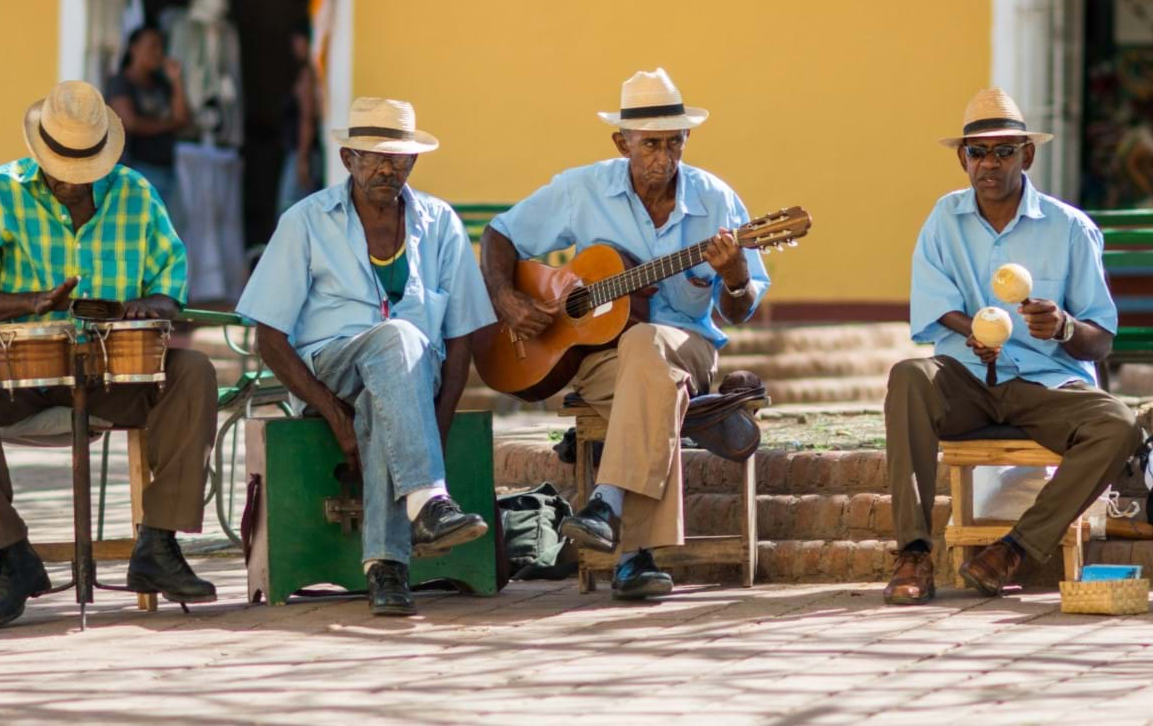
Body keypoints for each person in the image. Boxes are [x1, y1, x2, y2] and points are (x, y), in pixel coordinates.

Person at [0, 81, 219, 629]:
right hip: (23, 375)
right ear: (41, 152)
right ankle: (12, 557)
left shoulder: (136, 194)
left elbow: (170, 283)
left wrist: (149, 304)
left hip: (116, 374)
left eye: (87, 169)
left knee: (195, 371)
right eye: (63, 168)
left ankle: (157, 545)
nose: (74, 181)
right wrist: (33, 303)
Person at [480, 68, 768, 601]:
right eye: (651, 144)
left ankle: (607, 506)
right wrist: (507, 298)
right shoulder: (583, 188)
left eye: (675, 143)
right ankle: (635, 560)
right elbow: (501, 233)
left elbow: (741, 309)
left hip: (690, 349)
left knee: (646, 346)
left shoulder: (717, 201)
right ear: (622, 142)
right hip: (594, 357)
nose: (665, 156)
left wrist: (736, 276)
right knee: (648, 378)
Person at [236, 97, 493, 616]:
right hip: (331, 368)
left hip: (412, 377)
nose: (385, 168)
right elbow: (269, 335)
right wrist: (332, 414)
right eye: (372, 156)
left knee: (388, 390)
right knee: (395, 336)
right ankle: (428, 502)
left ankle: (387, 570)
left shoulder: (440, 224)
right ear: (348, 157)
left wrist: (427, 430)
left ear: (414, 162)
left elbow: (462, 337)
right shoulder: (307, 221)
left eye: (397, 158)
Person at [882, 88, 1139, 605]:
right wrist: (971, 329)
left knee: (1120, 424)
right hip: (967, 381)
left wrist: (1064, 326)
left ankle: (1015, 549)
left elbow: (1101, 338)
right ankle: (912, 553)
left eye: (1004, 151)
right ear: (963, 159)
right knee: (909, 377)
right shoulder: (943, 218)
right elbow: (934, 306)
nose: (990, 164)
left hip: (1046, 384)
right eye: (978, 152)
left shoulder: (1069, 228)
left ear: (1028, 155)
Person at [106, 26, 191, 225]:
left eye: (161, 47)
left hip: (166, 169)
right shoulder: (121, 83)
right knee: (139, 231)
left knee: (167, 234)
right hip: (136, 169)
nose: (159, 53)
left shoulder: (161, 83)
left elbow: (183, 117)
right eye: (153, 46)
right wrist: (172, 124)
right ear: (134, 48)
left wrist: (177, 81)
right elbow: (131, 123)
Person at [278, 25, 324, 214]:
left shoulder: (307, 74)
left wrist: (303, 159)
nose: (295, 48)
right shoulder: (312, 72)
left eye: (299, 42)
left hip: (302, 152)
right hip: (303, 152)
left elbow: (307, 118)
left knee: (290, 209)